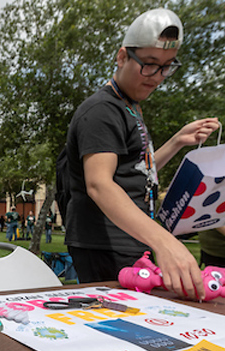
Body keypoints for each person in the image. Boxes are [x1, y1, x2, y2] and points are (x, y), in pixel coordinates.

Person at [62, 8, 219, 300]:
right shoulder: (102, 111)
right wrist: (166, 243)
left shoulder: (130, 107)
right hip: (104, 243)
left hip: (131, 239)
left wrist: (176, 141)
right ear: (122, 57)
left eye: (167, 66)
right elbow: (100, 184)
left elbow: (137, 173)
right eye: (149, 64)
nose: (157, 77)